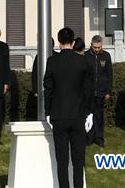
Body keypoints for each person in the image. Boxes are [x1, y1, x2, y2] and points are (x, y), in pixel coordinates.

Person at [43, 26, 94, 188]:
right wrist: (90, 112)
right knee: (78, 159)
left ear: (59, 42)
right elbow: (88, 89)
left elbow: (48, 88)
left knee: (62, 160)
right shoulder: (83, 61)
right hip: (79, 115)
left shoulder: (52, 61)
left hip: (59, 115)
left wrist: (48, 112)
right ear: (72, 42)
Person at [85, 34, 112, 147]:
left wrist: (108, 91)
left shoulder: (106, 56)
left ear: (101, 45)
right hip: (89, 92)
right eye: (95, 47)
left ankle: (99, 138)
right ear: (91, 45)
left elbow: (109, 75)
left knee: (99, 116)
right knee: (89, 116)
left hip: (101, 92)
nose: (97, 49)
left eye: (99, 47)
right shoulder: (85, 56)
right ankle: (89, 138)